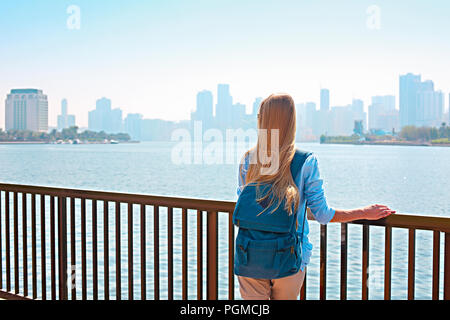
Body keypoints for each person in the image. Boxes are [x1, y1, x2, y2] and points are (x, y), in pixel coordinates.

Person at [236, 93, 395, 300]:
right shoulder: (305, 161)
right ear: (292, 121)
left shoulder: (248, 160)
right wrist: (365, 212)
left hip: (249, 256)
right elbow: (322, 214)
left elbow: (245, 206)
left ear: (262, 120)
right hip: (288, 257)